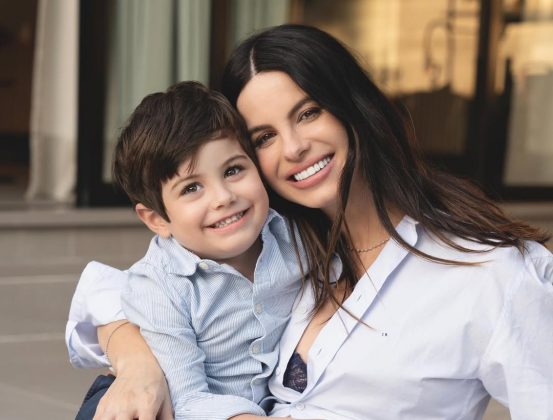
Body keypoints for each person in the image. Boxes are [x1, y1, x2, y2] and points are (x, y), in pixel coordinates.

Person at [66, 25, 553, 420]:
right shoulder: (288, 240)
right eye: (264, 136)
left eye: (309, 112)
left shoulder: (494, 273)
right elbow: (112, 291)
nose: (294, 148)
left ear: (353, 108)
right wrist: (138, 364)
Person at [70, 80, 329, 419]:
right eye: (192, 188)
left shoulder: (295, 238)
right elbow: (187, 398)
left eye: (233, 170)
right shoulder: (163, 287)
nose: (223, 197)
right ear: (156, 219)